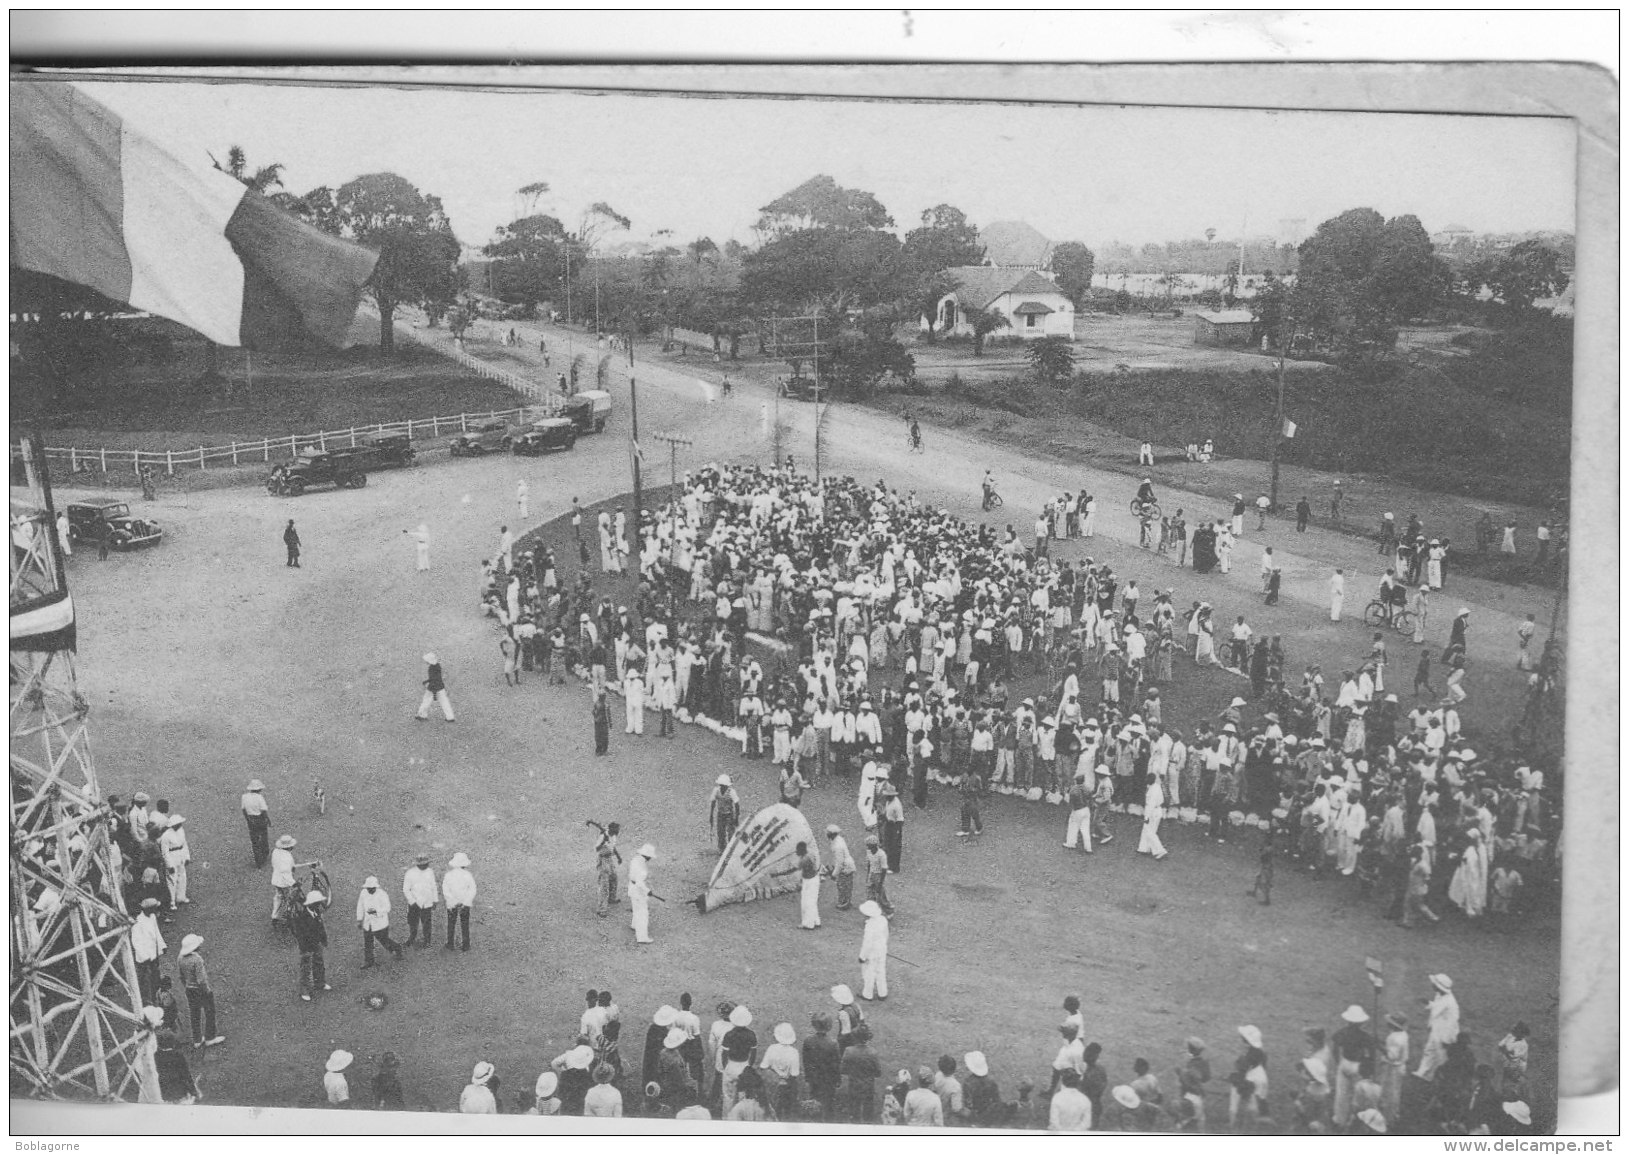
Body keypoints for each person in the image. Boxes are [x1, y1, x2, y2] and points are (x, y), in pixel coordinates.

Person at [177, 934, 224, 1048]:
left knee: (194, 1014)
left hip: (189, 990)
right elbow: (201, 979)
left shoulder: (180, 958)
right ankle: (210, 1037)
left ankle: (197, 1039)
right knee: (209, 1012)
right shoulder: (197, 960)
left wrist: (186, 986)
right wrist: (207, 990)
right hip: (200, 990)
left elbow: (181, 976)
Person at [1331, 1005, 1373, 1127]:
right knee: (1357, 1094)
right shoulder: (1365, 1036)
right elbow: (1371, 1053)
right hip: (1357, 1065)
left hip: (1344, 1062)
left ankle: (1340, 1119)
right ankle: (1355, 1119)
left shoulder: (1341, 1033)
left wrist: (1338, 1063)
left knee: (1341, 1093)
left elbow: (1335, 1049)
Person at [1415, 973, 1460, 1082]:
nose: (1432, 985)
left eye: (1434, 984)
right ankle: (1422, 1073)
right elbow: (1437, 1007)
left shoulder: (1450, 1003)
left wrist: (1447, 1039)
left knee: (1440, 1057)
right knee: (1429, 1050)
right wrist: (1428, 1003)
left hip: (1444, 1034)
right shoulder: (1440, 995)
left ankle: (1436, 1078)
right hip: (1436, 1030)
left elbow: (1453, 1023)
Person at [355, 876, 404, 968]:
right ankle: (369, 961)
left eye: (372, 888)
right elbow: (360, 906)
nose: (370, 890)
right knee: (368, 942)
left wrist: (376, 912)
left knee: (384, 940)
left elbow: (387, 908)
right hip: (368, 923)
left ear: (376, 887)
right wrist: (359, 919)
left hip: (380, 923)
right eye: (368, 888)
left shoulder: (382, 894)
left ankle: (397, 948)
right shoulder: (363, 893)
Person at [293, 890, 330, 1001]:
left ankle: (320, 983)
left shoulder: (316, 912)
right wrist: (304, 948)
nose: (319, 904)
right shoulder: (301, 916)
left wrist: (323, 939)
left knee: (319, 962)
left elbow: (320, 926)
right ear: (310, 904)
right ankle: (304, 990)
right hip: (307, 946)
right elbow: (300, 934)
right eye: (317, 902)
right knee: (306, 968)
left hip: (317, 943)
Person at [131, 897, 165, 1005]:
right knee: (144, 979)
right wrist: (144, 957)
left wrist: (162, 945)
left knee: (155, 976)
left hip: (153, 953)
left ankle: (155, 997)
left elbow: (156, 932)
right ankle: (143, 1000)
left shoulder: (152, 917)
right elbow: (136, 942)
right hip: (144, 957)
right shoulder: (138, 923)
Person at [402, 853, 437, 947]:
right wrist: (412, 901)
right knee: (413, 922)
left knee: (427, 922)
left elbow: (433, 886)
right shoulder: (410, 873)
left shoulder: (430, 872)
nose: (425, 866)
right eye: (423, 864)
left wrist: (435, 899)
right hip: (415, 903)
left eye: (426, 864)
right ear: (418, 864)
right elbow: (406, 889)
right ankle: (412, 938)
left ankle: (427, 940)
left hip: (427, 902)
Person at [443, 851, 477, 950]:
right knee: (464, 924)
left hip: (452, 904)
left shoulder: (449, 875)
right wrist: (466, 901)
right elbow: (472, 889)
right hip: (464, 903)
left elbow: (446, 890)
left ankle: (450, 943)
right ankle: (466, 944)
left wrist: (452, 901)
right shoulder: (468, 875)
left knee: (451, 923)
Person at [858, 900, 889, 1000]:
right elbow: (886, 934)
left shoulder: (870, 926)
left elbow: (867, 944)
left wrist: (862, 956)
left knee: (869, 973)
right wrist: (883, 946)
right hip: (882, 950)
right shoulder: (883, 920)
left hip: (872, 953)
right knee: (881, 971)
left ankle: (867, 994)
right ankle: (882, 993)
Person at [628, 843, 656, 944]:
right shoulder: (641, 867)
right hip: (638, 890)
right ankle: (642, 937)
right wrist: (648, 891)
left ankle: (634, 925)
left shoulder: (636, 859)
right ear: (647, 856)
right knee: (643, 913)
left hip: (632, 887)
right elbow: (640, 883)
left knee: (636, 909)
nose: (650, 859)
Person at [824, 825, 857, 911]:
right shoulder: (839, 839)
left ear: (831, 834)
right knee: (847, 885)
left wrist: (834, 874)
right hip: (848, 865)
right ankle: (847, 901)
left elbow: (840, 863)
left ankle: (843, 903)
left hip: (845, 867)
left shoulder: (837, 846)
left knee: (842, 885)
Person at [416, 653, 455, 723]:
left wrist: (433, 691)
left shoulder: (431, 668)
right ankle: (450, 717)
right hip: (440, 686)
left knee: (426, 701)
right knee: (444, 702)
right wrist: (426, 681)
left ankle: (421, 715)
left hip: (432, 687)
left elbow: (433, 679)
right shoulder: (437, 666)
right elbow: (437, 678)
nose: (425, 661)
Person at [240, 779, 271, 868]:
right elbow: (264, 810)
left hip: (250, 819)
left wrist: (248, 819)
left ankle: (258, 860)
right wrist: (267, 820)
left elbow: (243, 809)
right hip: (260, 818)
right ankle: (264, 855)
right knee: (263, 837)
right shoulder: (259, 797)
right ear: (259, 789)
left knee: (255, 840)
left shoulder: (244, 797)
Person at [709, 775, 741, 854]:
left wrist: (736, 818)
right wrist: (711, 814)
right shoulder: (716, 790)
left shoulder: (731, 792)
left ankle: (731, 850)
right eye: (721, 785)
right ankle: (722, 849)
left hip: (729, 815)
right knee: (720, 832)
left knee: (731, 833)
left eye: (724, 786)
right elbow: (713, 802)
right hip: (720, 814)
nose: (723, 787)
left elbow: (737, 805)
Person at [593, 689, 611, 755]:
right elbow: (593, 712)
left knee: (603, 736)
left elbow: (608, 714)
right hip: (599, 723)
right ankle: (600, 749)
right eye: (602, 696)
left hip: (602, 723)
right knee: (600, 736)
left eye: (603, 696)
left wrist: (610, 722)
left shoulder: (605, 704)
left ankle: (602, 749)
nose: (603, 697)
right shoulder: (598, 704)